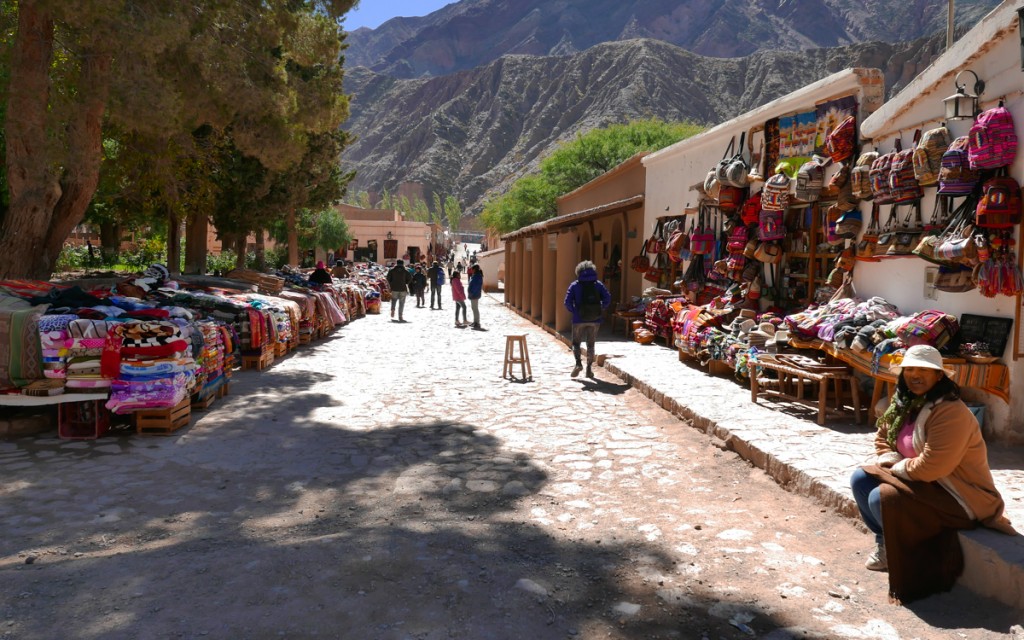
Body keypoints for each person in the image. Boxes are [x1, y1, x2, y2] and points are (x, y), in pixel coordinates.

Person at [849, 344, 1014, 603]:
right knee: (860, 479)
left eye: (924, 370)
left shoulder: (950, 412)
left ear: (939, 376)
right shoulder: (903, 403)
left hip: (958, 493)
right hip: (920, 481)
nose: (915, 375)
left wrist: (896, 468)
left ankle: (909, 554)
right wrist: (889, 459)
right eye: (910, 369)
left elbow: (932, 467)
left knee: (881, 498)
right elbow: (883, 437)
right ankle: (885, 543)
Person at [563, 260, 612, 378]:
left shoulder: (575, 285)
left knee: (576, 343)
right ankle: (589, 368)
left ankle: (578, 363)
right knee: (591, 344)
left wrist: (575, 312)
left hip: (578, 319)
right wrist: (601, 309)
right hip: (595, 320)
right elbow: (607, 298)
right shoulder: (598, 284)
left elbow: (567, 302)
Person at [467, 264, 484, 330]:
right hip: (473, 294)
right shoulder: (475, 276)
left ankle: (477, 322)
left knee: (475, 308)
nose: (471, 270)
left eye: (472, 269)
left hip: (475, 294)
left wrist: (471, 292)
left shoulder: (477, 277)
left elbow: (476, 286)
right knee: (474, 308)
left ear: (475, 269)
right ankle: (475, 321)